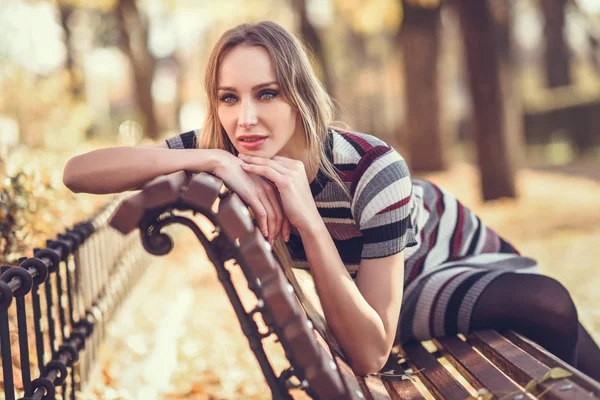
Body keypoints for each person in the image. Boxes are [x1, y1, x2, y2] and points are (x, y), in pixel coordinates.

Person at [63, 21, 600, 379]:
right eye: (229, 98)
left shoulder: (371, 167)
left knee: (547, 302)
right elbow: (78, 172)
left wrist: (310, 221)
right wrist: (213, 160)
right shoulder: (223, 148)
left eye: (266, 93)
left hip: (441, 255)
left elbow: (372, 338)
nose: (244, 118)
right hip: (384, 298)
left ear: (298, 94)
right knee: (547, 301)